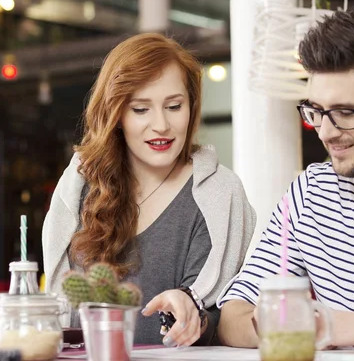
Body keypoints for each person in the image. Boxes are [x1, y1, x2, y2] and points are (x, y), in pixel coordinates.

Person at [217, 7, 354, 350]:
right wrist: (287, 327)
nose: (326, 132)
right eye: (316, 111)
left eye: (346, 113)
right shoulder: (312, 194)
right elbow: (235, 314)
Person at [42, 32, 256, 347]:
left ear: (191, 107)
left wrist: (191, 313)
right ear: (117, 116)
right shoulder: (79, 184)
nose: (161, 125)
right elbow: (60, 308)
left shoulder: (218, 194)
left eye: (174, 106)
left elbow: (217, 315)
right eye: (141, 109)